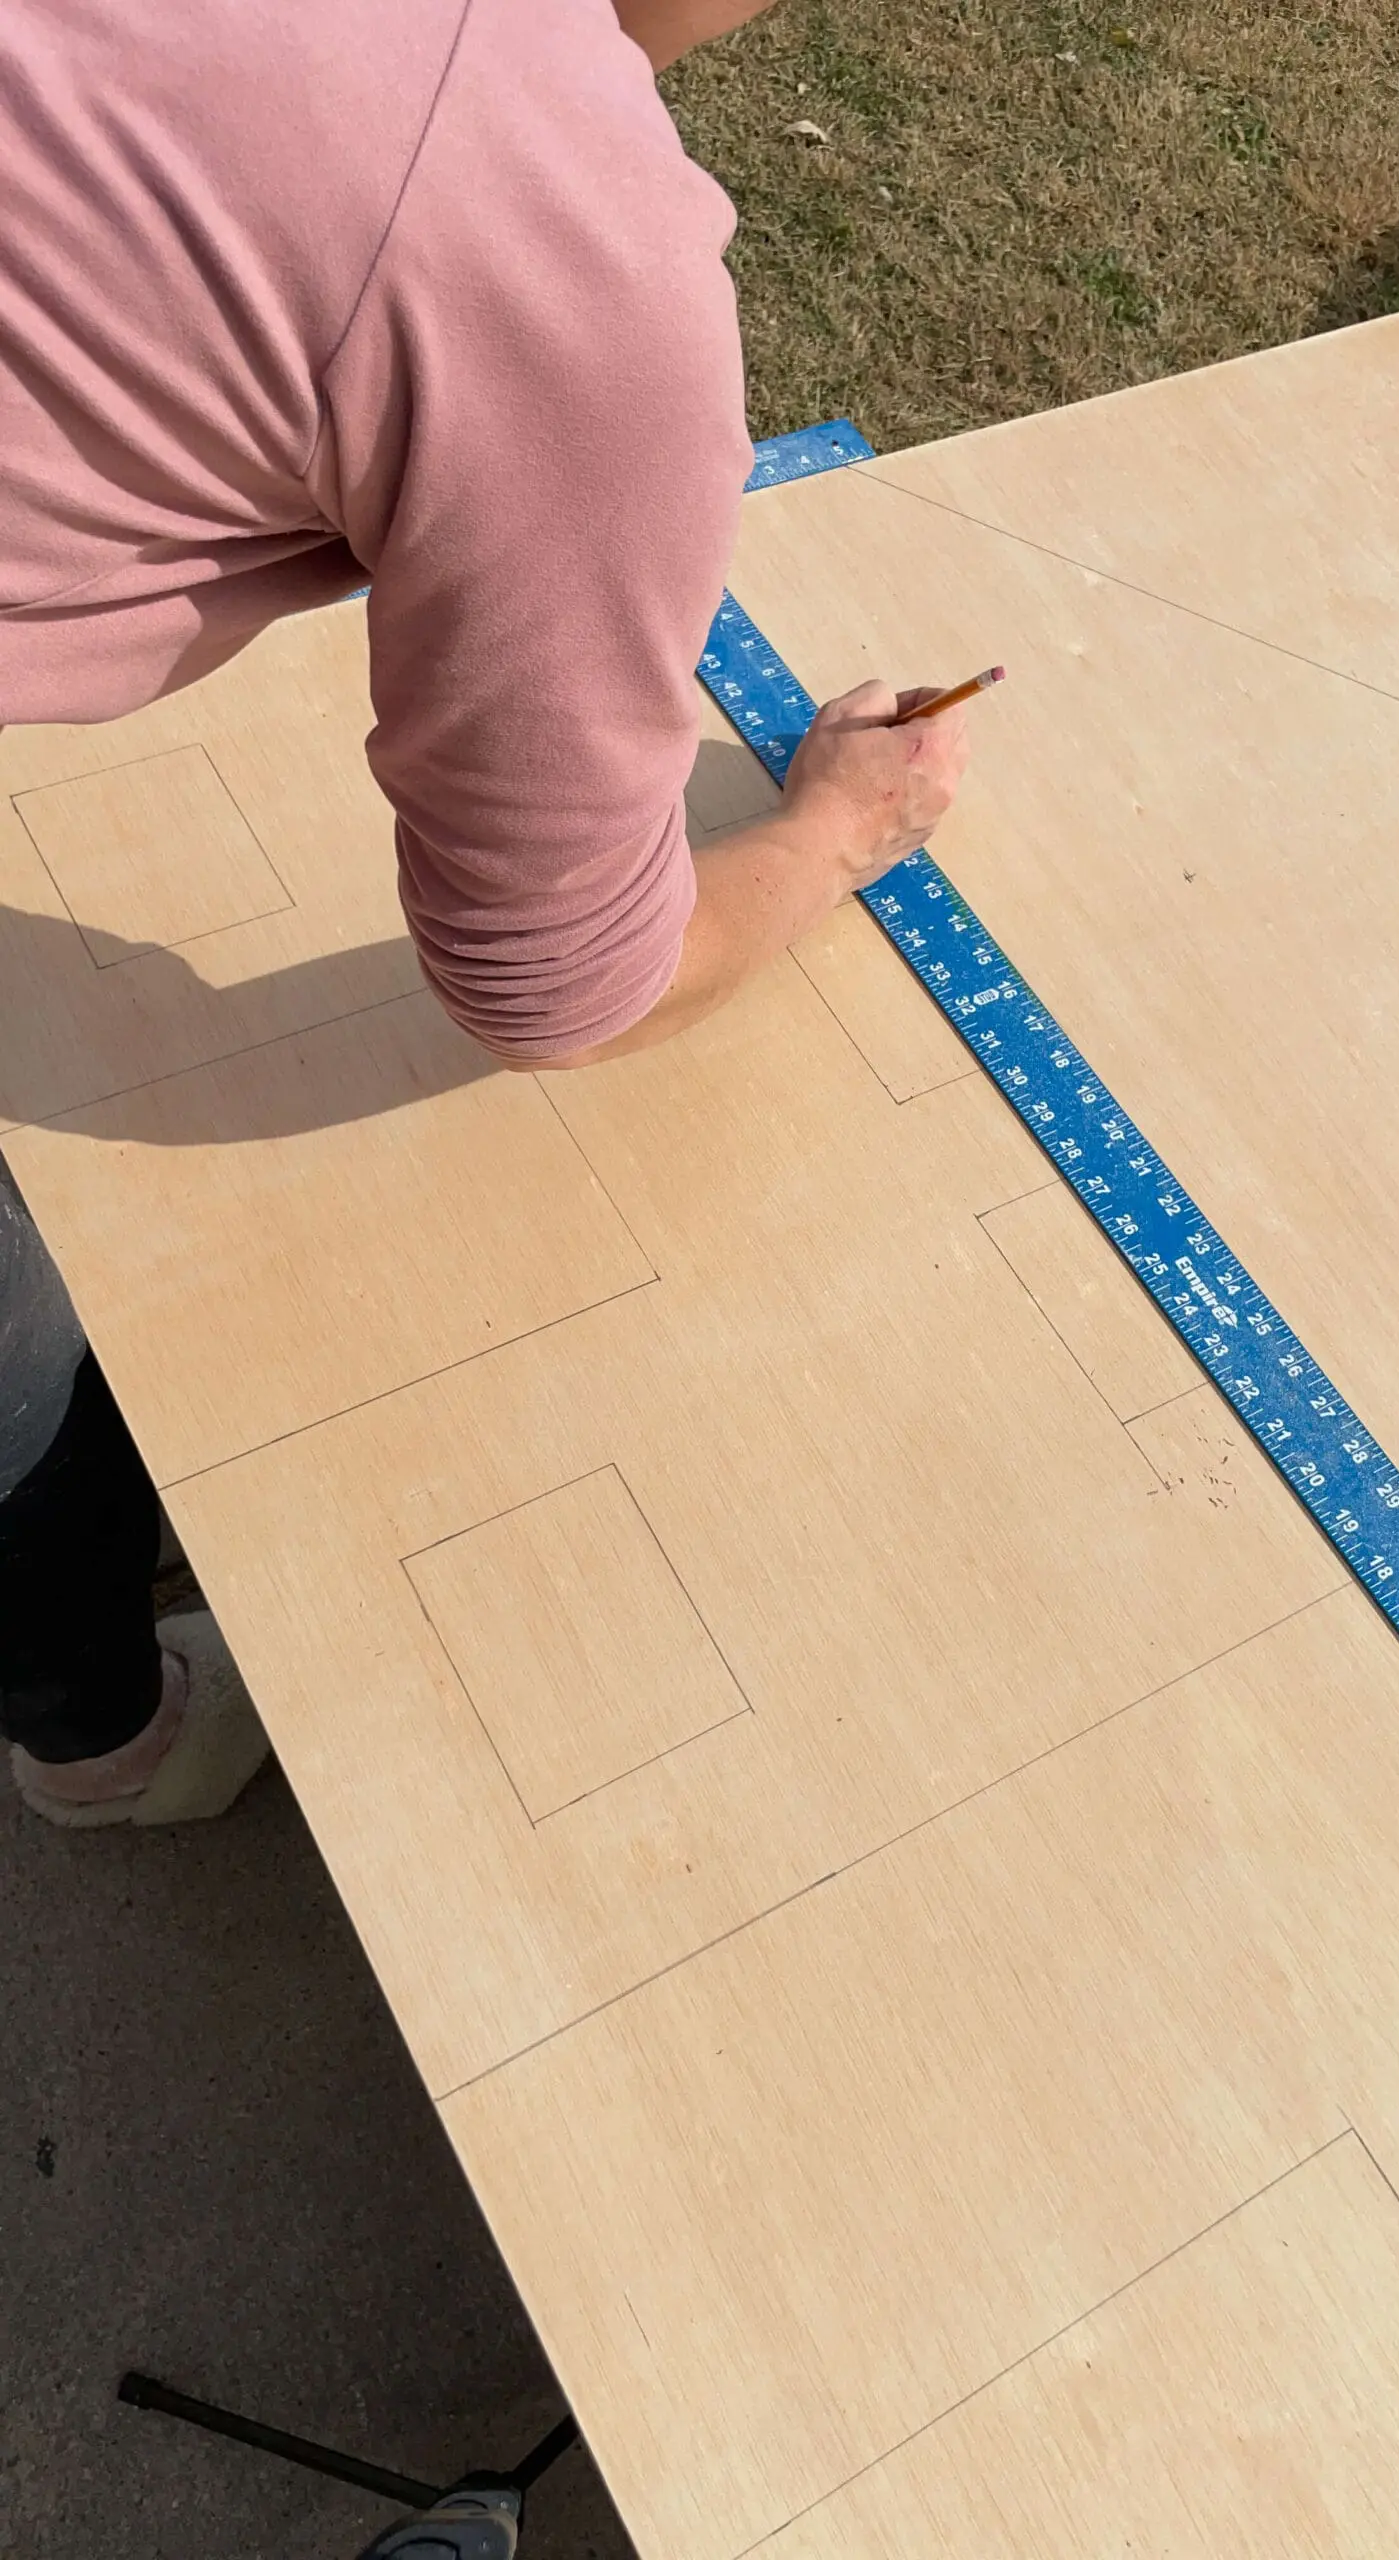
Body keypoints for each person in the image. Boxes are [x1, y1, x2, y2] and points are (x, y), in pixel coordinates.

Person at [0, 0, 969, 1826]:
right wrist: (832, 835)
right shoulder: (551, 250)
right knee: (20, 1387)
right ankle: (103, 1741)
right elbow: (558, 983)